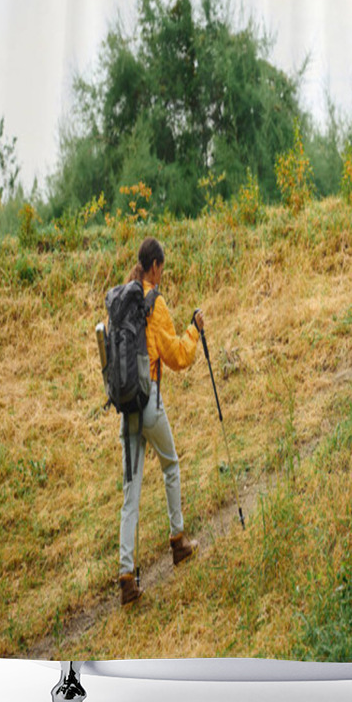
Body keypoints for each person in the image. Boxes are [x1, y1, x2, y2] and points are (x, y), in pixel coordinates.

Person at [118, 236, 204, 606]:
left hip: (126, 406)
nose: (163, 274)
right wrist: (195, 330)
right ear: (155, 266)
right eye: (162, 268)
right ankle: (178, 541)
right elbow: (178, 356)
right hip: (149, 400)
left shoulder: (124, 300)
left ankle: (126, 576)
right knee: (170, 465)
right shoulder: (155, 302)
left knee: (130, 492)